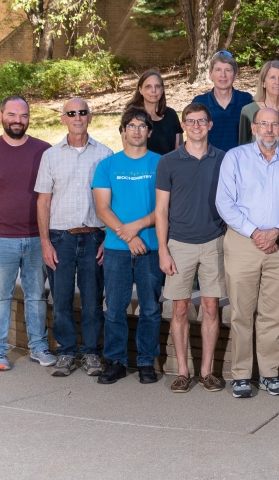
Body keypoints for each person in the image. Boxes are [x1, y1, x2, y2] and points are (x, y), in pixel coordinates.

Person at [216, 107, 279, 398]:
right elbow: (224, 202)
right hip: (244, 241)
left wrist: (278, 230)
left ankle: (270, 373)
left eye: (275, 126)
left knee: (274, 313)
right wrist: (255, 232)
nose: (269, 130)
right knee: (242, 312)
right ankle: (241, 374)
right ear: (254, 127)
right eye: (263, 125)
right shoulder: (235, 158)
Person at [0, 95, 54, 371]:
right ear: (0, 115)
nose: (18, 120)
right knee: (0, 297)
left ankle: (38, 347)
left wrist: (48, 238)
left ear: (29, 118)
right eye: (12, 115)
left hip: (36, 238)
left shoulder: (44, 151)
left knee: (37, 296)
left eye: (24, 115)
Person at [34, 98, 113, 377]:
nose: (77, 117)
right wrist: (45, 242)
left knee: (93, 299)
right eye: (71, 113)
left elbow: (113, 203)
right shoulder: (51, 156)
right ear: (63, 119)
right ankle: (66, 352)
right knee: (62, 298)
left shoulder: (105, 154)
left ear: (90, 117)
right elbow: (43, 202)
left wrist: (108, 238)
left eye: (82, 112)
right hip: (60, 239)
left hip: (94, 238)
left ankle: (92, 353)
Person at [155, 102, 227, 393]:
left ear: (210, 125)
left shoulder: (224, 159)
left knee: (211, 307)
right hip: (179, 243)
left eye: (201, 121)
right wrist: (163, 249)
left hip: (214, 241)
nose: (196, 126)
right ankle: (183, 371)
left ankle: (207, 372)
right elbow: (161, 210)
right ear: (183, 126)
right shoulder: (168, 161)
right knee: (180, 308)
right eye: (190, 121)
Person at [91, 109, 164, 385]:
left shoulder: (160, 163)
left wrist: (138, 228)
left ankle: (146, 362)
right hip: (117, 249)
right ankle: (116, 361)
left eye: (142, 126)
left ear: (149, 131)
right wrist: (129, 236)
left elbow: (164, 208)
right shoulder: (107, 166)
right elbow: (102, 208)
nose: (136, 131)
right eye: (131, 126)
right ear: (122, 131)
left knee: (150, 309)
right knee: (115, 308)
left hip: (152, 248)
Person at [192, 51, 254, 151]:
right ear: (210, 74)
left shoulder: (246, 100)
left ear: (235, 75)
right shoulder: (199, 102)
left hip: (239, 162)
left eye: (228, 70)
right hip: (209, 162)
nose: (223, 75)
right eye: (218, 70)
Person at [238, 60, 279, 150]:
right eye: (272, 77)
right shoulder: (248, 111)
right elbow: (242, 148)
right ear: (263, 82)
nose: (277, 82)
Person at [126, 69, 181, 155]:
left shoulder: (171, 115)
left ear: (162, 89)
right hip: (143, 167)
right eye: (148, 86)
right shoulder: (131, 117)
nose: (153, 90)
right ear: (140, 89)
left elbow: (178, 148)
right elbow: (128, 152)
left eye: (157, 86)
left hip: (169, 167)